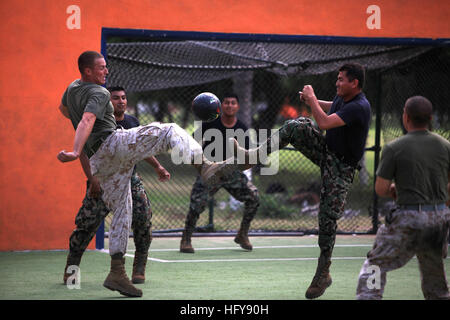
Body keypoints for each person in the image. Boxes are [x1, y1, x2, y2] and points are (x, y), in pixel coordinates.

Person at [57, 51, 242, 297]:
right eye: (102, 67)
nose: (107, 71)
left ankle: (117, 273)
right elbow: (87, 119)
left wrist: (82, 136)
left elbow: (65, 110)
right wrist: (75, 150)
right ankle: (205, 166)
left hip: (101, 162)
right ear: (88, 71)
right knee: (169, 130)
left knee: (124, 210)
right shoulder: (99, 93)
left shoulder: (72, 89)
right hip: (110, 145)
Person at [234, 63, 371, 299]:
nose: (337, 83)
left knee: (327, 220)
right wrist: (313, 102)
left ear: (354, 83)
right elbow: (331, 108)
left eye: (341, 79)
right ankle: (254, 157)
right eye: (337, 79)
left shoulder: (359, 106)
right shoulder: (344, 99)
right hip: (328, 153)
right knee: (296, 126)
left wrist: (313, 99)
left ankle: (323, 272)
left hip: (340, 169)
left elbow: (325, 123)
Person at [62, 86, 170, 287]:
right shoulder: (98, 123)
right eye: (115, 98)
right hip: (101, 180)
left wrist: (158, 167)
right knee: (85, 226)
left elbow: (142, 148)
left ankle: (139, 268)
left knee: (143, 219)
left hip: (130, 179)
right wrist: (92, 178)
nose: (120, 101)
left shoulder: (132, 122)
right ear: (107, 102)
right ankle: (72, 269)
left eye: (123, 98)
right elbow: (85, 153)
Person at [356, 96, 450, 300]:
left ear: (405, 117)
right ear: (430, 118)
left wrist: (393, 188)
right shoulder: (445, 146)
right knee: (434, 275)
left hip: (409, 217)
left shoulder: (394, 148)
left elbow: (381, 188)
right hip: (439, 218)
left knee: (376, 264)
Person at [180, 93, 259, 253]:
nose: (229, 105)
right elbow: (192, 143)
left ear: (237, 107)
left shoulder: (241, 127)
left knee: (254, 198)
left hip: (231, 172)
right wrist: (201, 165)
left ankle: (242, 234)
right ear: (221, 106)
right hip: (211, 172)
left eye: (233, 103)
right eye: (226, 103)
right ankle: (186, 239)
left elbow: (246, 154)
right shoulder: (210, 123)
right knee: (196, 206)